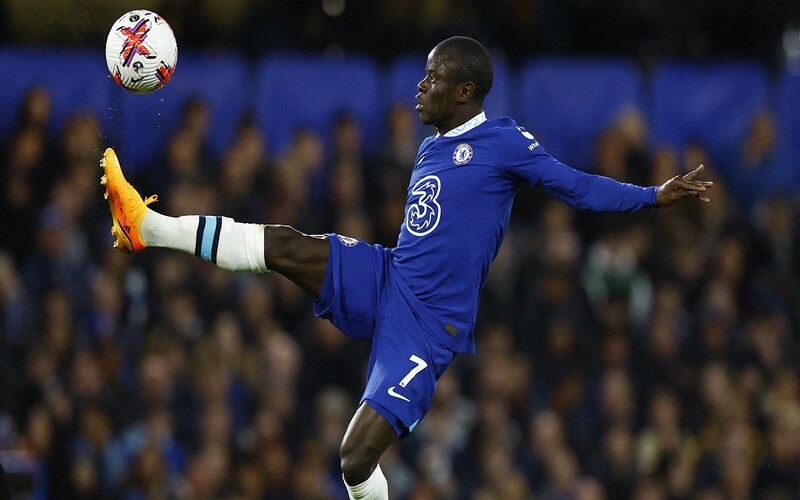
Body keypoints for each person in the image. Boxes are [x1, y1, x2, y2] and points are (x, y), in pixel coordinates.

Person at [101, 36, 712, 499]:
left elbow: (576, 186)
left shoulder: (504, 142)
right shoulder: (429, 146)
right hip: (388, 277)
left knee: (353, 461)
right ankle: (146, 227)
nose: (420, 87)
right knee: (287, 245)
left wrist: (652, 195)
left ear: (464, 92)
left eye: (433, 78)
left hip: (428, 326)